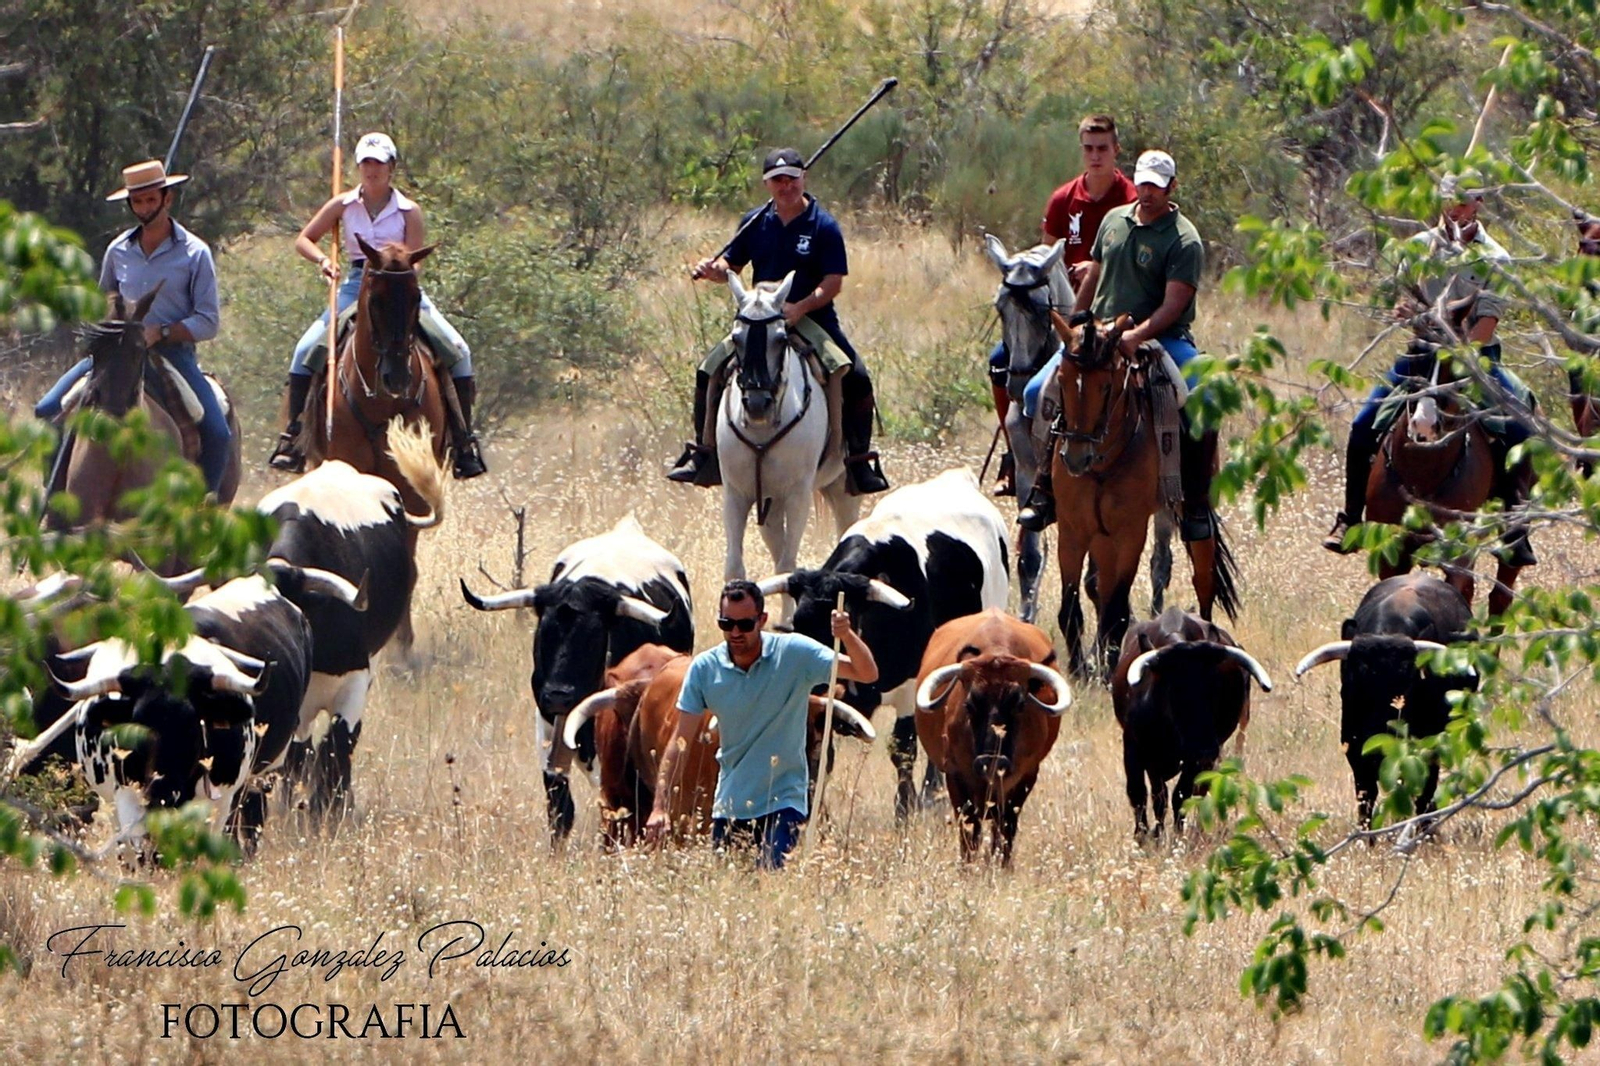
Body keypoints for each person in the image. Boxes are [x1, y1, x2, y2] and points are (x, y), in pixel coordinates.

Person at [1321, 173, 1536, 566]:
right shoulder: (1417, 249)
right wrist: (1406, 313)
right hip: (1420, 355)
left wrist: (1455, 347)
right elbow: (1401, 304)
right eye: (1450, 200)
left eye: (1464, 201)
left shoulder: (1496, 259)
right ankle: (1351, 518)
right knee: (1363, 425)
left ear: (1479, 204)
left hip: (1473, 360)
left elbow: (1485, 327)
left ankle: (1514, 530)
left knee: (1520, 428)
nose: (1455, 209)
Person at [1017, 149, 1214, 541]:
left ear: (1172, 187)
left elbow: (1174, 303)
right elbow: (1094, 274)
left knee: (1201, 401)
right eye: (1142, 183)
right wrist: (1077, 321)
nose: (1147, 192)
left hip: (1162, 338)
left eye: (1156, 186)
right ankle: (1045, 488)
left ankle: (1194, 504)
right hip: (1098, 331)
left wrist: (1136, 336)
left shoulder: (1184, 239)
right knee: (1036, 391)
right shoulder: (1113, 221)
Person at [669, 148, 890, 495]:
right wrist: (715, 270)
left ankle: (859, 463)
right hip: (761, 319)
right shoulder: (754, 221)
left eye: (792, 179)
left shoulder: (824, 226)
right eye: (777, 180)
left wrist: (801, 306)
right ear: (767, 184)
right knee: (709, 369)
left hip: (812, 316)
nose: (785, 186)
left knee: (857, 375)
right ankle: (704, 453)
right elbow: (732, 263)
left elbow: (833, 281)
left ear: (804, 178)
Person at [268, 131, 486, 479]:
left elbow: (415, 261)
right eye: (366, 163)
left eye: (379, 164)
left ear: (391, 168)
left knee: (459, 350)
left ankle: (463, 442)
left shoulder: (409, 210)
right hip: (356, 283)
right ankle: (293, 437)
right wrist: (324, 260)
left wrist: (396, 276)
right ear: (358, 167)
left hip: (398, 287)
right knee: (305, 350)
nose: (372, 170)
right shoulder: (342, 205)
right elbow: (304, 239)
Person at [642, 580, 879, 870]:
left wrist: (848, 636)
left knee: (771, 875)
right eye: (726, 624)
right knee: (731, 891)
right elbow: (680, 741)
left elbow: (866, 673)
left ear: (763, 620)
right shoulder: (705, 669)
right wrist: (660, 806)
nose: (735, 633)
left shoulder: (795, 654)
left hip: (784, 799)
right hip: (729, 803)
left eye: (744, 624)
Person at [36, 159, 231, 494]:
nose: (144, 208)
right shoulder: (118, 250)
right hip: (116, 353)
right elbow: (103, 303)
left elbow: (208, 320)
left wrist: (163, 332)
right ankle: (56, 504)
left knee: (217, 431)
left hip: (172, 353)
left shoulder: (195, 253)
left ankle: (203, 511)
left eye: (151, 200)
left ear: (167, 199)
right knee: (48, 408)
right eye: (138, 201)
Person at [988, 114, 1136, 496]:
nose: (1095, 156)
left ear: (1116, 150)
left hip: (1109, 310)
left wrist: (1096, 268)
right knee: (1000, 357)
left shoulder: (1132, 199)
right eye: (1088, 148)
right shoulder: (1062, 199)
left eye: (1103, 148)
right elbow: (1044, 253)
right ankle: (1015, 452)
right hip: (1061, 311)